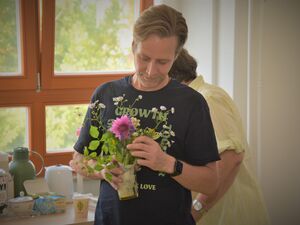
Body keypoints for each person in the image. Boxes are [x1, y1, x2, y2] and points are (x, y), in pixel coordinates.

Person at [70, 5, 220, 225]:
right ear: (133, 47)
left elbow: (211, 182)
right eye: (144, 58)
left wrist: (167, 163)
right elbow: (78, 160)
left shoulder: (192, 103)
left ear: (176, 55)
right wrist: (104, 170)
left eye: (162, 62)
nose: (150, 71)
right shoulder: (106, 94)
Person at [169, 48, 270, 225]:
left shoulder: (208, 99)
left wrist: (194, 212)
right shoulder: (191, 101)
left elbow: (231, 158)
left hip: (229, 215)